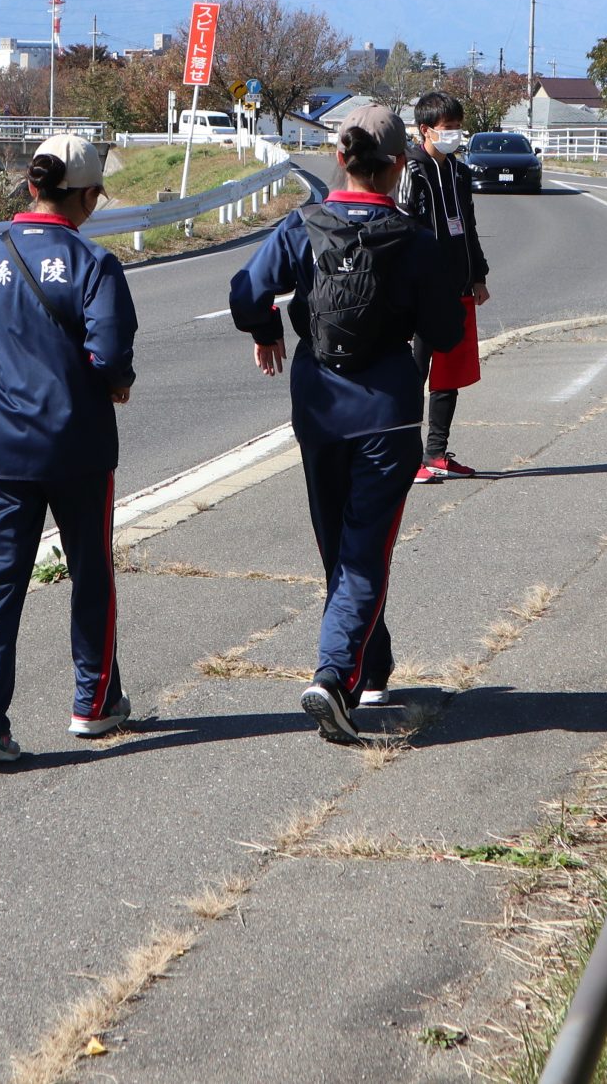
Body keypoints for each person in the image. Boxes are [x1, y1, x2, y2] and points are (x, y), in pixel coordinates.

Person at [230, 104, 463, 742]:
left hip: (317, 407)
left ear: (340, 158)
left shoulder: (302, 225)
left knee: (338, 543)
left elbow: (246, 291)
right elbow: (444, 332)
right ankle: (334, 678)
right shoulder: (414, 239)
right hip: (385, 411)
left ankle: (372, 664)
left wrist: (266, 329)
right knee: (366, 551)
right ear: (398, 167)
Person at [0, 132, 138, 764]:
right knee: (90, 574)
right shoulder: (93, 262)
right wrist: (116, 384)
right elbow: (111, 356)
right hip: (76, 445)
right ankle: (92, 704)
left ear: (32, 185)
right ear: (85, 196)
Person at [400, 91, 491, 484]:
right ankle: (406, 459)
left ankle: (436, 452)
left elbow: (467, 225)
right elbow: (402, 228)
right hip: (422, 292)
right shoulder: (412, 169)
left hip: (457, 287)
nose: (455, 135)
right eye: (448, 129)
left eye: (457, 128)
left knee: (449, 375)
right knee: (413, 376)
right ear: (425, 130)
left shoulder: (458, 171)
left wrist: (478, 275)